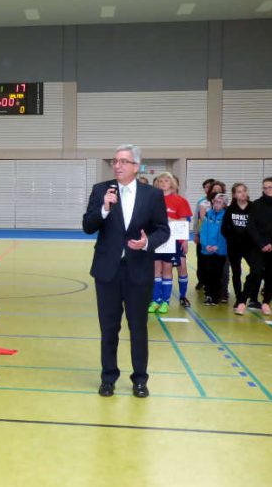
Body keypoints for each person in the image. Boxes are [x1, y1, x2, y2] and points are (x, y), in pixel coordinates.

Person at [82, 144, 169, 398]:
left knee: (138, 328)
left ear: (135, 166)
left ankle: (140, 379)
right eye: (115, 161)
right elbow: (88, 225)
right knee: (108, 328)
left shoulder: (152, 195)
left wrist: (147, 243)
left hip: (138, 271)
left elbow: (162, 229)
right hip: (107, 271)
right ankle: (108, 377)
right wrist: (104, 209)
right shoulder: (101, 191)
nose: (117, 165)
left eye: (123, 161)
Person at [148, 172, 192, 314]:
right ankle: (156, 300)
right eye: (160, 181)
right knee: (156, 271)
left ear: (172, 183)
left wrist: (169, 220)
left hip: (171, 241)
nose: (163, 183)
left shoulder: (180, 201)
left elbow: (184, 222)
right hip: (155, 240)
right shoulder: (152, 200)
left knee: (167, 270)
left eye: (166, 180)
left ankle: (165, 302)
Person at [222, 183, 258, 315]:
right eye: (239, 191)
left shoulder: (254, 207)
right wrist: (233, 239)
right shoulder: (230, 210)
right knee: (236, 272)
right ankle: (239, 299)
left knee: (256, 270)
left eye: (244, 191)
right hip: (234, 246)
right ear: (234, 195)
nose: (242, 194)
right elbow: (224, 229)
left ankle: (253, 298)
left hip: (251, 246)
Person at [246, 177, 272, 316]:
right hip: (258, 246)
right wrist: (261, 244)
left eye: (270, 187)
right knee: (256, 272)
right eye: (265, 187)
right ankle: (246, 299)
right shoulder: (257, 204)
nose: (267, 190)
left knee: (270, 275)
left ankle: (266, 302)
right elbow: (251, 226)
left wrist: (271, 244)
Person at [200, 193, 229, 306]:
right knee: (207, 273)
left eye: (219, 202)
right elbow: (204, 231)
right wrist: (205, 245)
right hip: (207, 250)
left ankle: (216, 296)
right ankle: (208, 295)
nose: (216, 204)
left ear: (224, 204)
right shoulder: (208, 214)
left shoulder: (226, 216)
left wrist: (218, 246)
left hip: (219, 251)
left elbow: (225, 235)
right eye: (215, 202)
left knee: (217, 274)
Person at [194, 178, 215, 290]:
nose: (208, 189)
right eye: (206, 187)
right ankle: (201, 280)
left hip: (216, 237)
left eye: (210, 186)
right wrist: (196, 234)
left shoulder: (221, 201)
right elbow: (196, 219)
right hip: (203, 235)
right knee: (201, 259)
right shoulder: (201, 202)